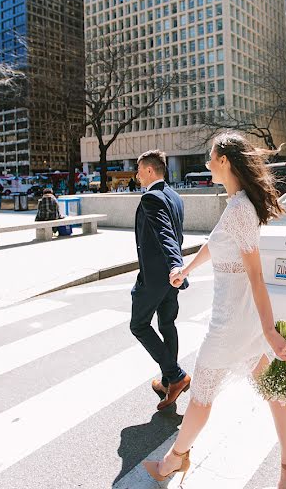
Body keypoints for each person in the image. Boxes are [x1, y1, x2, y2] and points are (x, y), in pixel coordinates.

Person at [144, 132, 286, 489]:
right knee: (275, 393)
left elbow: (256, 276)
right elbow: (216, 244)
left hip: (231, 324)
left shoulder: (240, 209)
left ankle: (173, 462)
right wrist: (185, 269)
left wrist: (269, 332)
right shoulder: (236, 204)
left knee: (200, 398)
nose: (206, 164)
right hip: (239, 323)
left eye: (210, 158)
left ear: (225, 162)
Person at [130, 150, 190, 412]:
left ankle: (176, 376)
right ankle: (168, 381)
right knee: (167, 324)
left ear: (150, 171)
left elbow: (166, 234)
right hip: (170, 278)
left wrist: (177, 265)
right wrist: (176, 269)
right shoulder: (175, 197)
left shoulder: (151, 198)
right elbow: (177, 235)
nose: (136, 175)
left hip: (156, 277)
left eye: (139, 170)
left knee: (139, 325)